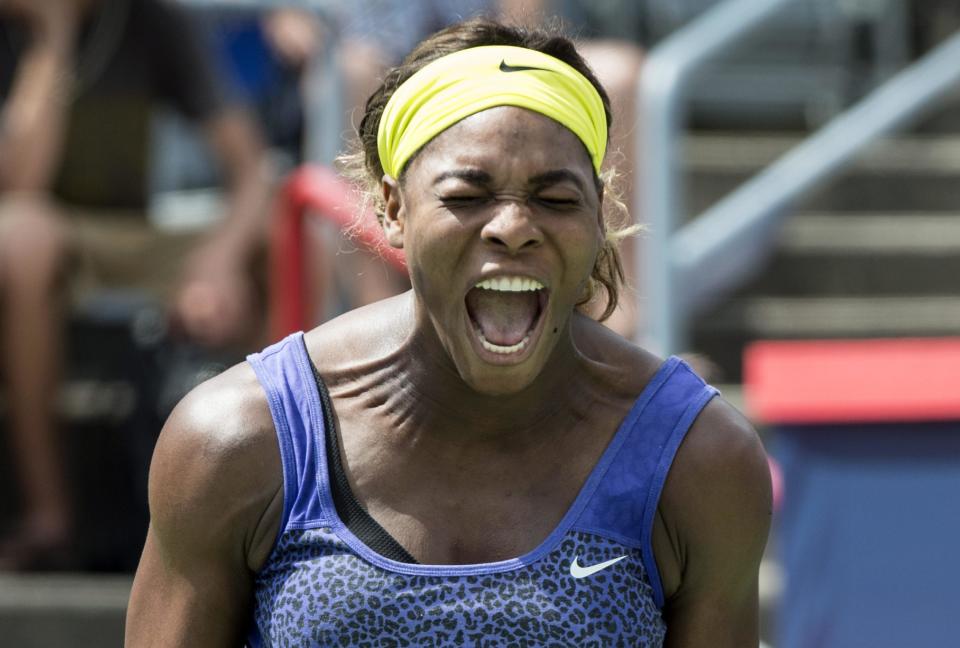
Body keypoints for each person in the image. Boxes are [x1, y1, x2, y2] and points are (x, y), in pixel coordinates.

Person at [126, 18, 771, 646]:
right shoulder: (237, 440)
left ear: (601, 218)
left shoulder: (697, 460)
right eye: (467, 195)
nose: (513, 226)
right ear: (392, 209)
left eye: (556, 198)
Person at [0, 0, 270, 568]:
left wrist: (218, 260)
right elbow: (19, 186)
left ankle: (268, 507)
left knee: (275, 235)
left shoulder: (151, 21)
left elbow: (251, 171)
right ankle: (50, 516)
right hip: (46, 233)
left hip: (137, 234)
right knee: (20, 237)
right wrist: (53, 39)